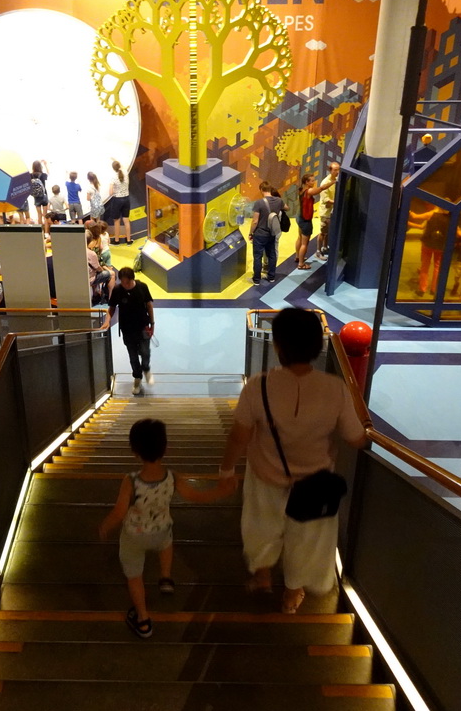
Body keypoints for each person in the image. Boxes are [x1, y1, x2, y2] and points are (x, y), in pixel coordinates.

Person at [218, 308, 366, 614]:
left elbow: (239, 436)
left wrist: (227, 469)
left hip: (265, 478)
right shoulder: (335, 389)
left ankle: (262, 574)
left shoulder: (257, 386)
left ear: (279, 346)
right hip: (314, 485)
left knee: (261, 528)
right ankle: (292, 592)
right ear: (316, 346)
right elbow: (355, 439)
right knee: (305, 541)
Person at [99, 418, 232, 638]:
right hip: (160, 530)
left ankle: (142, 618)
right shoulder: (172, 477)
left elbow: (119, 512)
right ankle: (166, 577)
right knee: (167, 543)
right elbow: (196, 496)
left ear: (135, 452)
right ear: (165, 448)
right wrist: (222, 491)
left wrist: (106, 526)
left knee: (134, 576)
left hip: (134, 536)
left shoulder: (130, 481)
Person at [102, 268, 154, 396]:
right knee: (133, 356)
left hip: (142, 326)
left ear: (132, 279)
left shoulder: (142, 287)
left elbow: (149, 306)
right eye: (123, 282)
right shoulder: (118, 290)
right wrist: (107, 321)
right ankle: (137, 378)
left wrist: (152, 324)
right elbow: (112, 308)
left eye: (128, 282)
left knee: (145, 352)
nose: (125, 285)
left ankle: (146, 369)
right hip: (127, 328)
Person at [247, 181, 283, 285]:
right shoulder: (279, 201)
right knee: (272, 254)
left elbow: (255, 221)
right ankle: (271, 277)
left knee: (258, 256)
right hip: (272, 233)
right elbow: (286, 208)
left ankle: (256, 279)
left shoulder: (259, 203)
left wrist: (251, 233)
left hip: (260, 234)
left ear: (261, 190)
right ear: (271, 189)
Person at [295, 172, 333, 271]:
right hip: (305, 220)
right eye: (312, 180)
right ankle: (301, 264)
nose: (314, 181)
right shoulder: (309, 191)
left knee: (299, 238)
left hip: (299, 217)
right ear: (307, 182)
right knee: (305, 243)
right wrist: (333, 182)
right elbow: (321, 188)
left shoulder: (301, 190)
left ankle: (298, 256)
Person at [315, 162, 340, 261]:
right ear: (330, 170)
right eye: (335, 170)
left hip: (333, 210)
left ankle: (325, 248)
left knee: (328, 232)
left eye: (338, 169)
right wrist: (338, 201)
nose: (337, 172)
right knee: (323, 232)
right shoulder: (325, 182)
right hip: (325, 212)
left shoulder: (337, 180)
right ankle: (318, 251)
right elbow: (326, 200)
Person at [108, 161, 132, 245]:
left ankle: (117, 240)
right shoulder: (125, 172)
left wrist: (115, 191)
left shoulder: (113, 177)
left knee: (116, 221)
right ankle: (129, 240)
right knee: (126, 220)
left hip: (117, 200)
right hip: (126, 199)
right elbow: (123, 165)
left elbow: (110, 192)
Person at [29, 159, 50, 227]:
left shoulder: (31, 175)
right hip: (44, 195)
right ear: (40, 167)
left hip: (36, 196)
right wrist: (45, 164)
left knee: (39, 215)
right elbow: (48, 173)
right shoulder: (43, 175)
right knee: (45, 215)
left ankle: (41, 230)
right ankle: (46, 231)